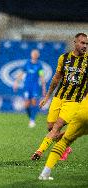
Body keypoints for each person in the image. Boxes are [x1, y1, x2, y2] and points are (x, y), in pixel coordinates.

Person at [31, 33, 88, 161]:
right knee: (51, 127)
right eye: (82, 43)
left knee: (56, 127)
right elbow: (57, 78)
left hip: (74, 101)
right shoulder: (64, 58)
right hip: (59, 97)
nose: (85, 46)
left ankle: (39, 152)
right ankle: (66, 146)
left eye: (87, 44)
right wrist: (47, 97)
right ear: (75, 42)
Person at [39, 94, 88, 180]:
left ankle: (45, 173)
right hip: (81, 109)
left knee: (64, 140)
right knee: (56, 131)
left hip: (82, 110)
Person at [13, 49, 46, 128]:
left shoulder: (39, 65)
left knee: (34, 102)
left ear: (38, 56)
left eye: (36, 54)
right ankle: (31, 118)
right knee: (26, 104)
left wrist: (43, 87)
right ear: (31, 55)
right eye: (33, 54)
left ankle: (32, 120)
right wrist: (16, 83)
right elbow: (21, 73)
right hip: (27, 86)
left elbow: (41, 77)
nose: (34, 55)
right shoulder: (27, 64)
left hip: (35, 86)